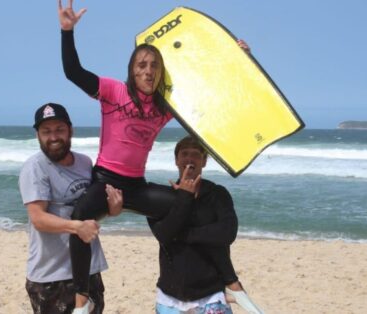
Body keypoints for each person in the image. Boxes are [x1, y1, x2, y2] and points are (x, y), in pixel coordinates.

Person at [58, 1, 251, 311]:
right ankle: (82, 301)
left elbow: (207, 90)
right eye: (141, 65)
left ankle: (231, 283)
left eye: (154, 66)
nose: (148, 71)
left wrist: (236, 59)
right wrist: (67, 32)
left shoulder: (164, 107)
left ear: (161, 73)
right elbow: (73, 72)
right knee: (80, 217)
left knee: (191, 208)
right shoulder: (112, 92)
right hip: (106, 182)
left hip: (136, 185)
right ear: (132, 71)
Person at [18, 102, 123, 314]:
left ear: (70, 130)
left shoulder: (85, 163)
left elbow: (90, 211)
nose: (53, 137)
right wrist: (76, 228)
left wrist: (113, 210)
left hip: (87, 271)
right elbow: (38, 218)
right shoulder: (35, 167)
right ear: (38, 135)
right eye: (46, 131)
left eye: (59, 129)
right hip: (51, 276)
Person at [147, 136, 264, 314]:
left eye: (195, 154)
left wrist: (183, 235)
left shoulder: (217, 194)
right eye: (184, 154)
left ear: (204, 161)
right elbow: (163, 235)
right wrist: (184, 198)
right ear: (176, 160)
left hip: (211, 293)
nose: (189, 158)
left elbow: (227, 233)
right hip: (170, 295)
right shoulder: (163, 198)